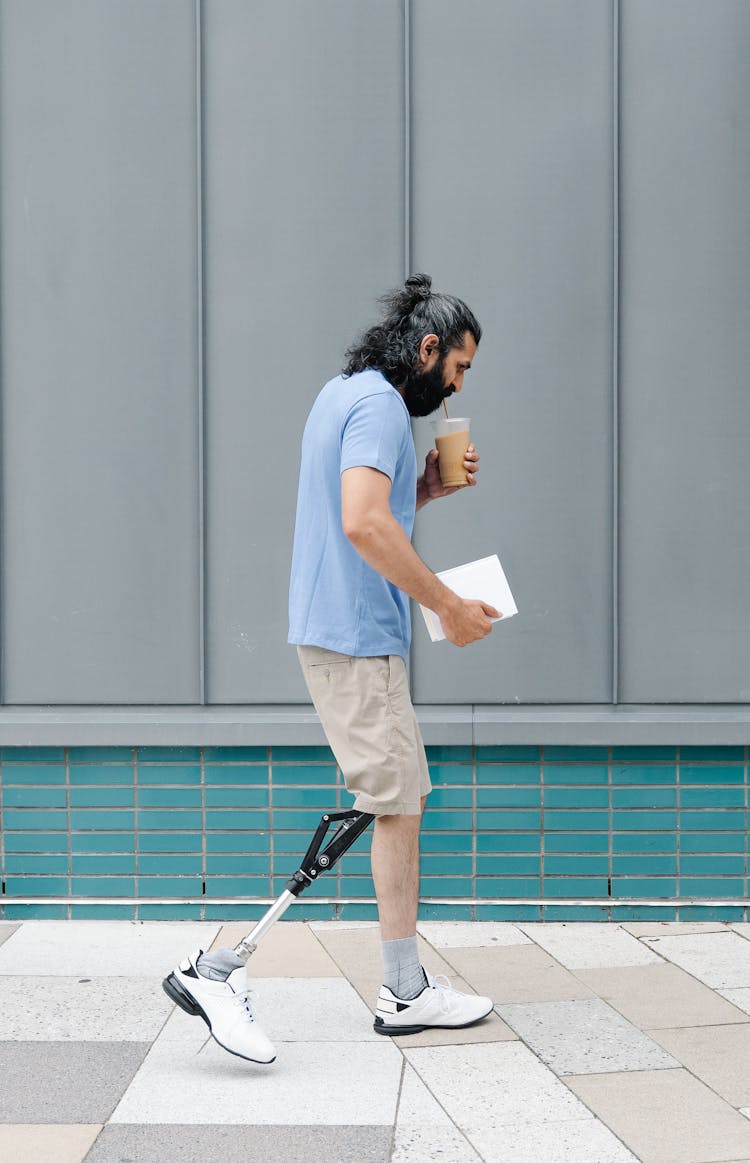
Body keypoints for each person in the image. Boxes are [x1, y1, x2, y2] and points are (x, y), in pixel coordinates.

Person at [164, 273, 500, 1063]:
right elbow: (359, 522)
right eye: (459, 367)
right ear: (427, 349)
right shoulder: (383, 407)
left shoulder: (341, 393)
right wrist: (447, 604)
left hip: (337, 629)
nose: (456, 386)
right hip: (356, 637)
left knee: (396, 798)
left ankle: (404, 986)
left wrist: (421, 490)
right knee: (392, 802)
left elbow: (363, 506)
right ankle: (222, 968)